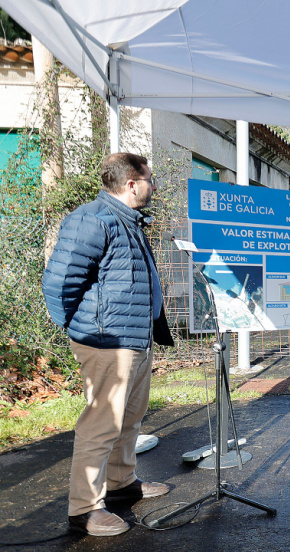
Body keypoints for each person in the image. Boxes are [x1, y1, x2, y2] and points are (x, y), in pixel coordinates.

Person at [42, 152, 174, 537]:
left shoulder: (126, 220)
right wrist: (81, 329)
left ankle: (119, 484)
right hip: (106, 343)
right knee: (101, 425)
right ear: (132, 183)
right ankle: (84, 509)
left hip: (133, 339)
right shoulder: (92, 219)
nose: (154, 185)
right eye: (150, 178)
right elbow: (58, 283)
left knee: (129, 418)